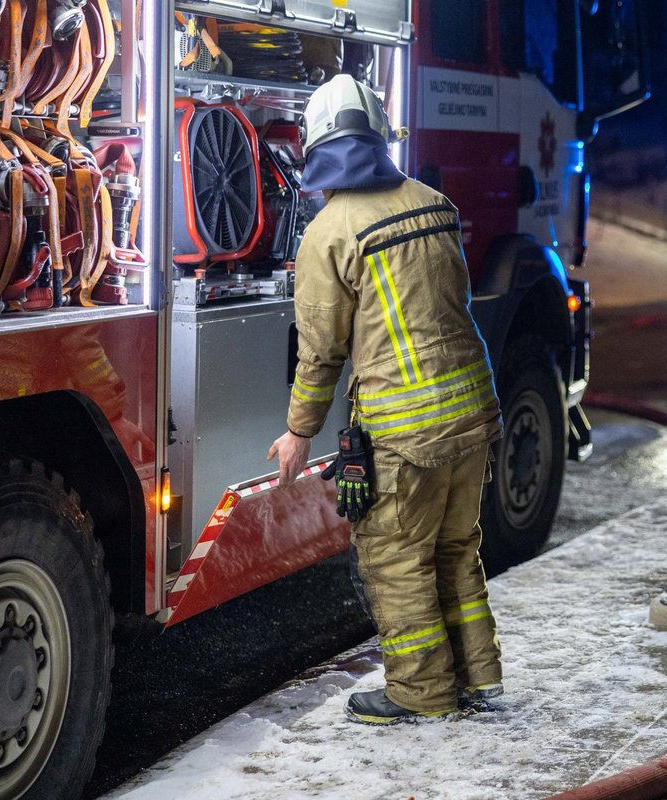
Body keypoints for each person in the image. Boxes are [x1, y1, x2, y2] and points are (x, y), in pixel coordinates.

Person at [266, 75, 504, 724]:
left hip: (406, 433)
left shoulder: (329, 232)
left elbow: (321, 350)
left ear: (318, 145)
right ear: (377, 135)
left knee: (397, 560)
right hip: (474, 412)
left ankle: (421, 693)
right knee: (457, 550)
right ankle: (479, 678)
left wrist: (298, 431)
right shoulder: (435, 203)